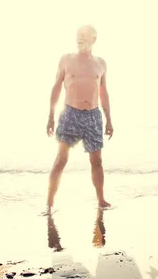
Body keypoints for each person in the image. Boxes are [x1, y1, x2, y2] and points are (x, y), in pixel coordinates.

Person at [46, 25, 113, 211]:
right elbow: (56, 87)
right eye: (77, 35)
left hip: (93, 115)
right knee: (61, 159)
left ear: (94, 39)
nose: (79, 38)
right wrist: (51, 116)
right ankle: (49, 204)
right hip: (70, 114)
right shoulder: (66, 60)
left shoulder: (101, 63)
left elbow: (103, 92)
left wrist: (109, 119)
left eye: (83, 35)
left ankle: (101, 200)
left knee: (97, 160)